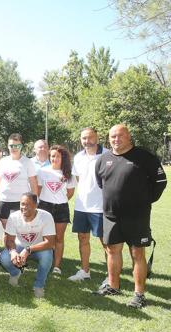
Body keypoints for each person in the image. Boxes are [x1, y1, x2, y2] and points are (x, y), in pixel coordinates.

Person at [94, 124, 167, 308]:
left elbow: (160, 182)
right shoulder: (103, 159)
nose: (116, 140)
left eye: (120, 136)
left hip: (137, 217)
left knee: (137, 253)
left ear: (129, 137)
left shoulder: (145, 157)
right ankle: (113, 285)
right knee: (112, 250)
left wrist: (145, 201)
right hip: (111, 216)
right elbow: (102, 184)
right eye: (112, 137)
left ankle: (139, 294)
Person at [68, 127, 108, 283]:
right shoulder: (78, 157)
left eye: (90, 138)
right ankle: (85, 271)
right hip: (81, 206)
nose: (87, 141)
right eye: (84, 138)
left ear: (97, 138)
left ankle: (110, 276)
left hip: (101, 207)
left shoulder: (107, 155)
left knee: (106, 242)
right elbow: (79, 180)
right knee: (82, 238)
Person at [0, 193, 56, 298]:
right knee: (4, 258)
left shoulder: (46, 216)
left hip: (40, 248)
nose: (24, 207)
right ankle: (15, 273)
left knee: (47, 256)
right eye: (22, 204)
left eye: (28, 204)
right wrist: (13, 252)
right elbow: (9, 240)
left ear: (36, 205)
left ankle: (39, 285)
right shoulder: (14, 216)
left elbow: (50, 242)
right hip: (19, 246)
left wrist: (28, 250)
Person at [37, 145, 75, 275]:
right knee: (45, 237)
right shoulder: (43, 171)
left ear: (63, 158)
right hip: (44, 206)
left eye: (58, 156)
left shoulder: (68, 173)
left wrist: (58, 200)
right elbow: (38, 189)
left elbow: (70, 193)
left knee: (59, 238)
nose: (55, 158)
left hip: (61, 208)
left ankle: (56, 266)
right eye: (52, 156)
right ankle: (44, 263)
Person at [0, 133, 38, 226]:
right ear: (8, 146)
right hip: (4, 200)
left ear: (21, 146)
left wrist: (34, 201)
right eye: (11, 145)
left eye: (17, 145)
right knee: (6, 231)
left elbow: (33, 183)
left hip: (21, 202)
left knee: (21, 229)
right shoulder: (3, 161)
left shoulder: (27, 162)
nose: (14, 148)